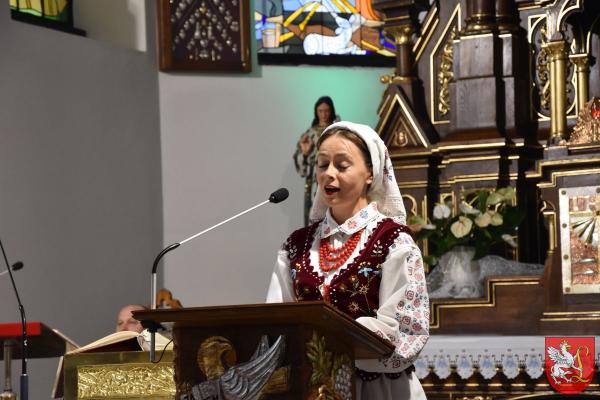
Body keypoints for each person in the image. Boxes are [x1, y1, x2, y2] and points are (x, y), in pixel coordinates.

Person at [269, 121, 429, 400]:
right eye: (322, 164)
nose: (329, 174)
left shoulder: (394, 242)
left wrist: (329, 337)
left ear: (371, 173)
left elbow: (406, 333)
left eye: (342, 166)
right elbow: (274, 321)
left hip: (378, 390)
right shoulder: (295, 246)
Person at [293, 96, 338, 226]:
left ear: (331, 111)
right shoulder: (309, 134)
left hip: (333, 179)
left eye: (327, 111)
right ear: (316, 112)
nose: (323, 115)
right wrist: (305, 154)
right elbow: (302, 169)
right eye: (320, 111)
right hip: (313, 182)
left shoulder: (336, 132)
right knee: (314, 219)